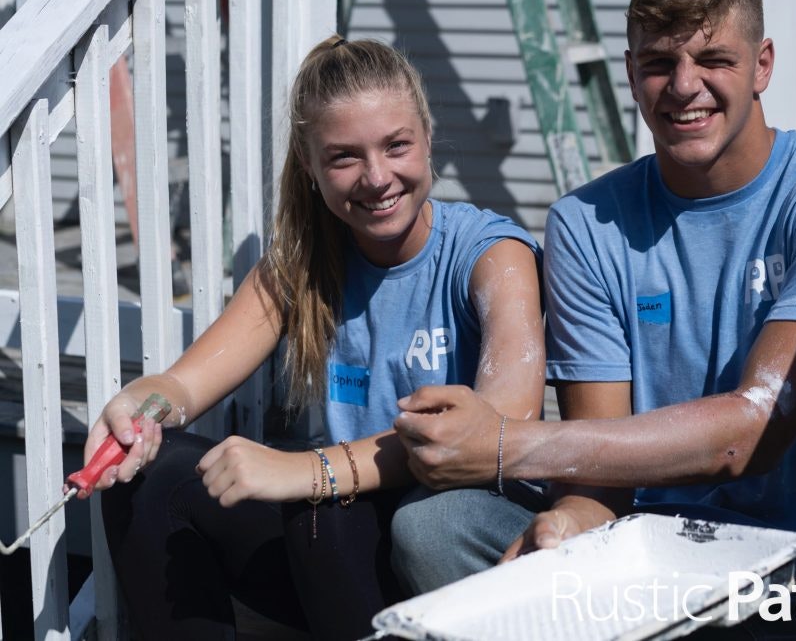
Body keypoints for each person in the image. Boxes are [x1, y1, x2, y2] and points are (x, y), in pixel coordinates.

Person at [390, 0, 796, 638]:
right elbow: (600, 478)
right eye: (661, 62)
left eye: (714, 58)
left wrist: (502, 445)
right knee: (433, 526)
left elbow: (749, 433)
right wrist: (566, 524)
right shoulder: (587, 221)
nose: (684, 86)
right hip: (643, 566)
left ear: (763, 65)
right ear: (632, 72)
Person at [78, 36, 545, 640]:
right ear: (310, 166)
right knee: (154, 474)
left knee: (324, 514)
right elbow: (183, 384)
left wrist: (311, 471)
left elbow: (505, 421)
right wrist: (137, 411)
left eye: (396, 145)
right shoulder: (300, 265)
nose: (377, 178)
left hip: (451, 549)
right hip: (335, 550)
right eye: (345, 157)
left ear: (428, 136)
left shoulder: (490, 253)